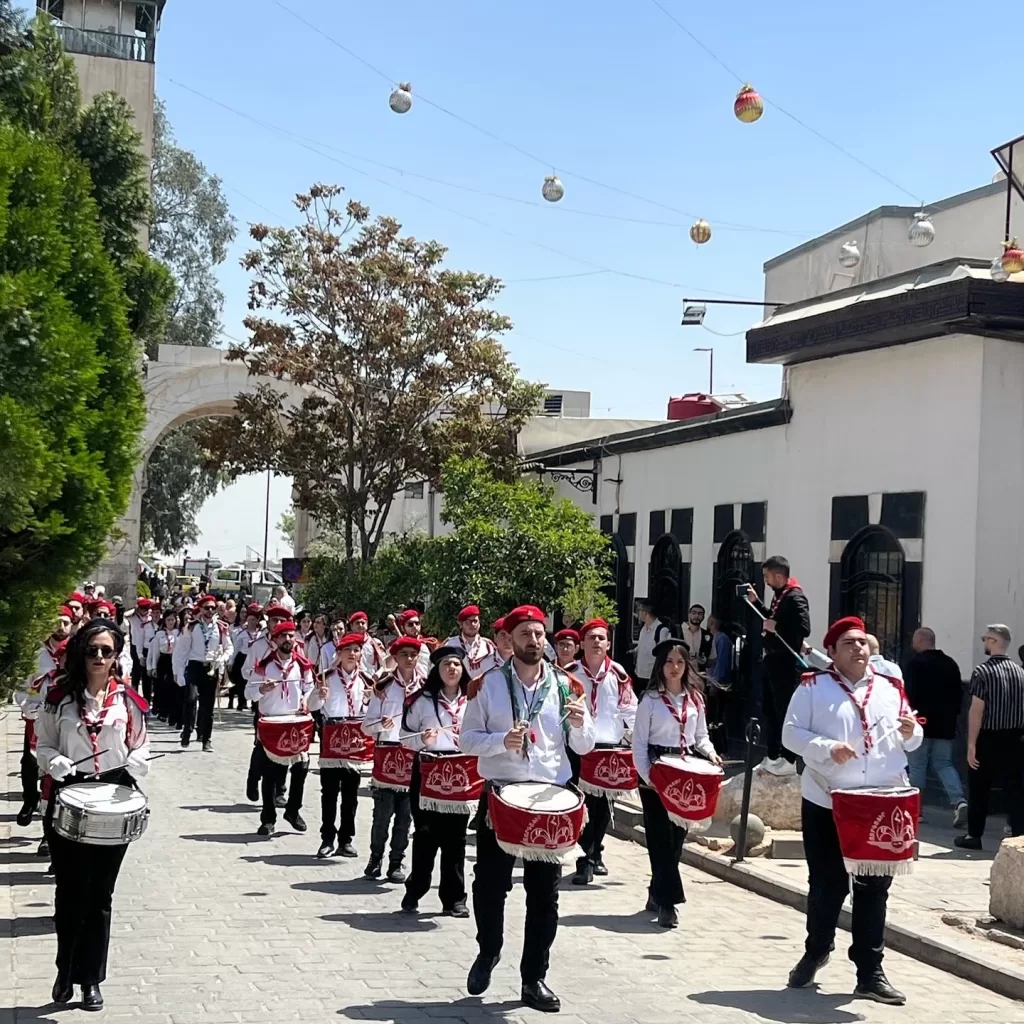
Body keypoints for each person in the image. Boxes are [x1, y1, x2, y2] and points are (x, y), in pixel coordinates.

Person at [460, 604, 595, 1013]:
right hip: (501, 795)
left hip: (548, 800)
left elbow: (585, 746)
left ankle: (533, 977)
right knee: (489, 886)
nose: (534, 641)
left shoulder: (567, 686)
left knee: (545, 895)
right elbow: (467, 740)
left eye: (539, 634)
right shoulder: (487, 686)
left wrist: (580, 725)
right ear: (508, 640)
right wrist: (501, 741)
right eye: (525, 635)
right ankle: (489, 950)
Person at [782, 616, 922, 1005]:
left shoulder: (891, 688)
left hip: (879, 804)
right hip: (828, 800)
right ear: (831, 652)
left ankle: (869, 971)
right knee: (827, 885)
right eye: (848, 643)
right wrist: (826, 748)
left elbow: (912, 734)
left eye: (862, 642)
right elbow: (790, 733)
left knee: (875, 889)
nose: (859, 649)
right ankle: (816, 951)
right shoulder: (813, 688)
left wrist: (913, 732)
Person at [35, 619, 152, 1012]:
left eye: (106, 650)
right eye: (92, 650)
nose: (99, 657)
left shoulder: (129, 701)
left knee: (101, 896)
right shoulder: (58, 699)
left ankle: (91, 980)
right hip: (70, 795)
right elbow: (44, 744)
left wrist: (138, 760)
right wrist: (53, 763)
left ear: (116, 655)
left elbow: (140, 743)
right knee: (70, 892)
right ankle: (64, 969)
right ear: (80, 653)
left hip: (115, 798)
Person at [632, 639, 720, 928]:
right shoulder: (650, 701)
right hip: (657, 772)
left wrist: (710, 753)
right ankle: (669, 904)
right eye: (669, 662)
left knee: (677, 841)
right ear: (661, 665)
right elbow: (639, 744)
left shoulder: (695, 699)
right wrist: (648, 778)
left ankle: (657, 892)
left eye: (680, 662)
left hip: (686, 774)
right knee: (659, 839)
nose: (674, 668)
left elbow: (701, 736)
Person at [400, 646, 473, 917]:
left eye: (456, 664)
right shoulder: (421, 700)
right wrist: (422, 740)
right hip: (428, 771)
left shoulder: (474, 700)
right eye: (446, 665)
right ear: (436, 670)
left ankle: (454, 898)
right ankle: (415, 890)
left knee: (456, 839)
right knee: (426, 835)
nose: (452, 669)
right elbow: (404, 738)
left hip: (461, 773)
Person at [569, 618, 637, 885]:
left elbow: (630, 706)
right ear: (582, 644)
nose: (597, 642)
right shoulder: (571, 673)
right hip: (579, 746)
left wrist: (632, 734)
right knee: (582, 803)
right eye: (591, 638)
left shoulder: (618, 674)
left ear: (608, 644)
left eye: (601, 638)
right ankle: (584, 860)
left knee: (603, 807)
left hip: (609, 746)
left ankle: (595, 851)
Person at [955, 624, 1024, 850]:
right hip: (1016, 738)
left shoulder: (982, 672)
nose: (984, 642)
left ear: (994, 641)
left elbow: (977, 709)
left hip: (989, 737)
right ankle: (1018, 835)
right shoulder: (1021, 673)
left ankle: (974, 835)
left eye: (986, 638)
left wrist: (971, 743)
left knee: (979, 787)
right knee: (1015, 789)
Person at [362, 636, 424, 881]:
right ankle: (375, 858)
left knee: (405, 817)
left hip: (412, 753)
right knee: (382, 815)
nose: (409, 659)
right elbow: (367, 726)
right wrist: (380, 723)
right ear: (395, 658)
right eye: (404, 655)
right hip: (388, 751)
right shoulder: (384, 686)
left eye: (413, 654)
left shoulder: (426, 686)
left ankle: (396, 862)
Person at [244, 619, 314, 836]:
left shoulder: (303, 665)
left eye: (291, 636)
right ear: (274, 641)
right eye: (283, 636)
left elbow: (310, 688)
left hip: (295, 722)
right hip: (272, 723)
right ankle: (268, 818)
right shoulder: (263, 667)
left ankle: (293, 810)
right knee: (271, 774)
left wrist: (306, 700)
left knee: (301, 769)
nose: (288, 640)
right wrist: (262, 690)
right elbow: (249, 693)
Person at [746, 556, 811, 777]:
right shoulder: (780, 596)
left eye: (766, 576)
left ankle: (789, 758)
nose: (765, 581)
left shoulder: (795, 597)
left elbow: (803, 627)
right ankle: (773, 755)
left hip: (785, 662)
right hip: (772, 660)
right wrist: (756, 603)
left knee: (784, 710)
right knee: (770, 710)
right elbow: (772, 621)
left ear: (779, 576)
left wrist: (779, 627)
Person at [307, 632, 369, 858]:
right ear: (339, 654)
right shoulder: (327, 677)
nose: (352, 654)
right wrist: (320, 696)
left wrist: (370, 701)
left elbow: (368, 712)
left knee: (351, 794)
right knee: (330, 792)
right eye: (348, 650)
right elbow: (311, 704)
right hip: (332, 738)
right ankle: (327, 838)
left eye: (356, 650)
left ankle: (346, 839)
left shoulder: (366, 680)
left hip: (354, 740)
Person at [903, 627, 967, 828]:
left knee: (917, 766)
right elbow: (959, 696)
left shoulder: (915, 665)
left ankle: (916, 810)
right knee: (944, 763)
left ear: (921, 641)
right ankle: (959, 801)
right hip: (945, 725)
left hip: (919, 724)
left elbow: (907, 694)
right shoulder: (950, 664)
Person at [15, 608, 73, 827]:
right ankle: (30, 801)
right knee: (30, 761)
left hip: (66, 721)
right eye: (56, 621)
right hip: (37, 716)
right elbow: (24, 683)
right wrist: (25, 706)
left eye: (65, 622)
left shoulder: (79, 651)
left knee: (56, 773)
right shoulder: (36, 652)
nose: (61, 626)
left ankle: (49, 828)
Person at [172, 595, 233, 752]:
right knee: (191, 700)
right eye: (207, 608)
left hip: (211, 667)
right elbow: (181, 650)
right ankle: (187, 730)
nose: (210, 611)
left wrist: (222, 659)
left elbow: (229, 648)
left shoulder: (221, 627)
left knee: (208, 706)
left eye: (213, 608)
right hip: (194, 666)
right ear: (200, 609)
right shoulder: (191, 627)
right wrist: (178, 671)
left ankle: (206, 738)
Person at [146, 608, 181, 725]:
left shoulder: (179, 634)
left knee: (173, 687)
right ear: (164, 621)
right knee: (162, 687)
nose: (171, 622)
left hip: (175, 660)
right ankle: (162, 711)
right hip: (163, 661)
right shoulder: (160, 634)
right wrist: (153, 667)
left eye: (173, 620)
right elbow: (154, 652)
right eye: (169, 620)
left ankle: (172, 714)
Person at [444, 604, 499, 676]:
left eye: (475, 621)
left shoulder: (488, 646)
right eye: (468, 622)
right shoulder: (451, 645)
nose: (473, 624)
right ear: (461, 624)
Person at [632, 601, 672, 697]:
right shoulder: (643, 629)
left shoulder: (661, 630)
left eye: (639, 611)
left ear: (645, 612)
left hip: (652, 676)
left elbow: (662, 653)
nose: (638, 614)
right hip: (640, 674)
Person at [228, 604, 263, 712]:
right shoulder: (242, 634)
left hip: (256, 658)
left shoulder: (261, 634)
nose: (252, 622)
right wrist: (231, 662)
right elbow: (236, 649)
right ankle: (241, 702)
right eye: (250, 619)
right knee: (242, 681)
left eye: (254, 619)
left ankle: (254, 703)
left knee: (255, 680)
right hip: (243, 657)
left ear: (257, 620)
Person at [127, 598, 157, 700]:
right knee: (136, 670)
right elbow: (124, 615)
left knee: (146, 674)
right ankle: (133, 693)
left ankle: (147, 697)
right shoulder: (133, 617)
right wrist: (135, 609)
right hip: (135, 645)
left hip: (146, 646)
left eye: (146, 608)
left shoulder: (149, 618)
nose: (145, 611)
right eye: (142, 608)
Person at [680, 604, 713, 669]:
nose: (696, 616)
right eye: (694, 613)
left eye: (700, 614)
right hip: (679, 674)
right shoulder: (676, 631)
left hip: (698, 675)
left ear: (703, 617)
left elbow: (712, 660)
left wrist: (704, 661)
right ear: (689, 615)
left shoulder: (707, 636)